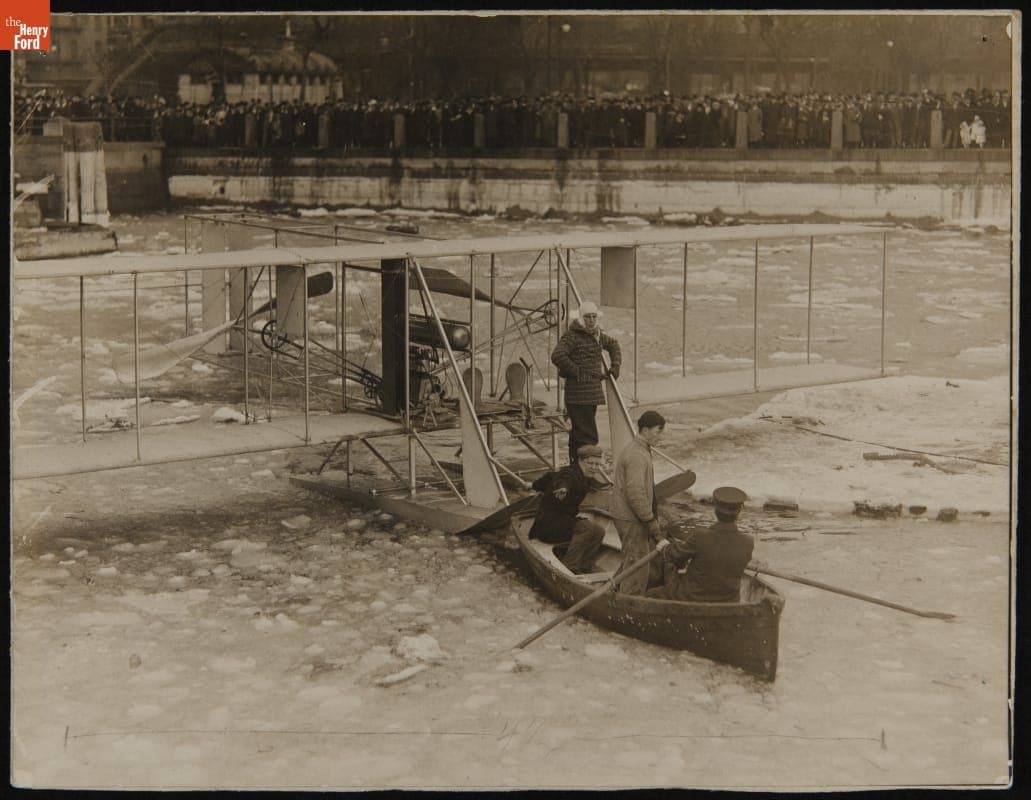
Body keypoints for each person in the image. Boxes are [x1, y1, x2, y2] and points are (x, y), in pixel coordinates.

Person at [647, 486, 754, 602]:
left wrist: (664, 548)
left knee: (650, 594)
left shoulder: (700, 536)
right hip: (729, 601)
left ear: (716, 509)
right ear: (739, 511)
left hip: (693, 597)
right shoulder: (748, 542)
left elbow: (674, 555)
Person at [551, 300, 622, 465]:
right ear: (581, 317)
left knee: (579, 433)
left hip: (591, 394)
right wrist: (577, 372)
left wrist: (615, 366)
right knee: (587, 434)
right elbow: (557, 355)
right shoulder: (572, 336)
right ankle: (587, 470)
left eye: (593, 316)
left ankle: (578, 468)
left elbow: (614, 345)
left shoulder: (597, 335)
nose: (591, 320)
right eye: (588, 317)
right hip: (577, 395)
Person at [529, 444, 608, 574]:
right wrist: (562, 489)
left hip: (563, 522)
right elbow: (564, 480)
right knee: (586, 527)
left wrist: (532, 485)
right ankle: (570, 567)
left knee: (599, 531)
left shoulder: (581, 474)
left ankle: (584, 566)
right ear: (580, 461)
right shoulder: (568, 474)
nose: (595, 468)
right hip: (548, 526)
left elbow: (549, 477)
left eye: (597, 465)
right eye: (591, 464)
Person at [610, 410, 667, 595]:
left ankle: (615, 589)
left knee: (632, 558)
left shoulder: (639, 450)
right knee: (637, 565)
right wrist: (650, 520)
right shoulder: (637, 455)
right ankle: (628, 601)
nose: (660, 436)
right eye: (658, 431)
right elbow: (635, 493)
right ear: (645, 430)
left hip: (628, 515)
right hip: (631, 518)